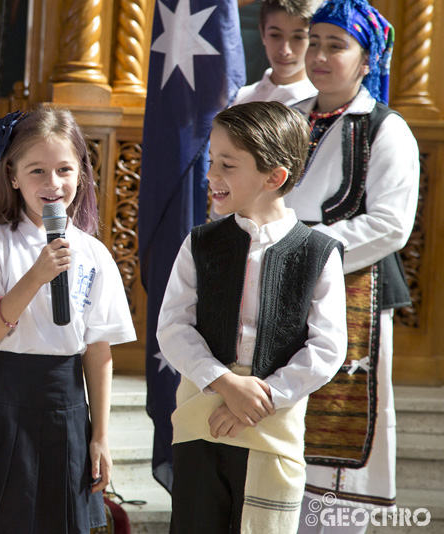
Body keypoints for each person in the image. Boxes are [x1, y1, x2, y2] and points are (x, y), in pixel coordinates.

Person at [0, 107, 136, 534]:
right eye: (37, 171)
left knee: (58, 520)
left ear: (82, 172)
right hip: (3, 395)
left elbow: (98, 351)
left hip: (63, 398)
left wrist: (99, 435)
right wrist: (35, 275)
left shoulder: (95, 254)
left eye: (64, 169)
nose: (52, 184)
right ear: (12, 176)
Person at [157, 101, 348, 534]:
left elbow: (327, 348)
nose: (211, 176)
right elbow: (173, 326)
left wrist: (260, 401)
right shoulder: (199, 244)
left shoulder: (319, 253)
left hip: (271, 424)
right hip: (201, 418)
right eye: (211, 162)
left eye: (227, 164)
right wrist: (225, 383)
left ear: (274, 177)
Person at [284, 1, 420, 531]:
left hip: (352, 292)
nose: (316, 54)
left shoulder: (387, 130)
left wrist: (303, 251)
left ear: (367, 59)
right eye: (311, 41)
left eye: (335, 46)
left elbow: (390, 225)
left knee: (339, 432)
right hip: (282, 290)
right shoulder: (289, 117)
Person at [233, 0, 320, 106]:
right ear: (263, 33)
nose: (285, 51)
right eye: (275, 35)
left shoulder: (317, 107)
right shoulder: (238, 98)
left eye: (298, 37)